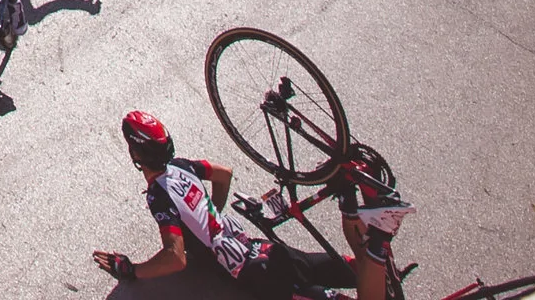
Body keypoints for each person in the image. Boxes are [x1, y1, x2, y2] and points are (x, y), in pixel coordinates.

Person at [93, 111, 400, 299]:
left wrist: (132, 270)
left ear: (136, 155)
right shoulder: (182, 166)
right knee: (365, 275)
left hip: (260, 275)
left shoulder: (158, 197)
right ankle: (360, 212)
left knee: (369, 282)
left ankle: (376, 238)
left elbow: (175, 258)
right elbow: (224, 174)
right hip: (262, 249)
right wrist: (212, 213)